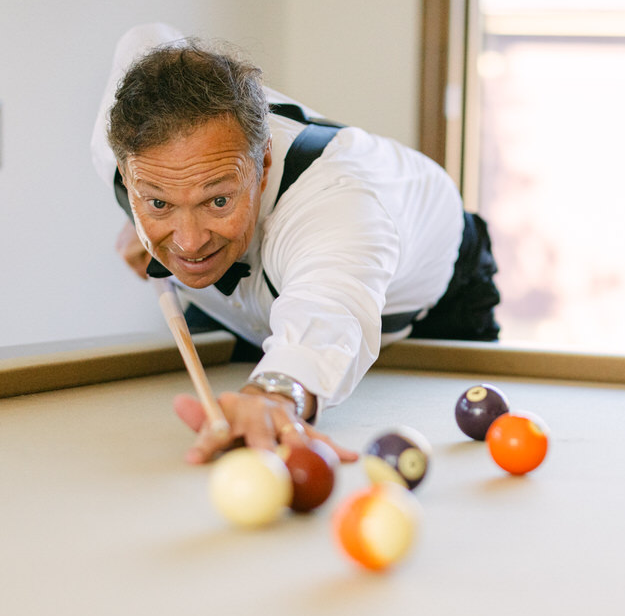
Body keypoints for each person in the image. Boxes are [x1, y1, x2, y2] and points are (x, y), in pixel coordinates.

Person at [91, 24, 500, 464]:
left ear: (263, 162)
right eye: (159, 201)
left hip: (439, 296)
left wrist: (277, 389)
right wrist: (145, 223)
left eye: (218, 199)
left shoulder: (337, 204)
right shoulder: (112, 147)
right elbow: (144, 38)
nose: (189, 243)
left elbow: (329, 309)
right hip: (253, 305)